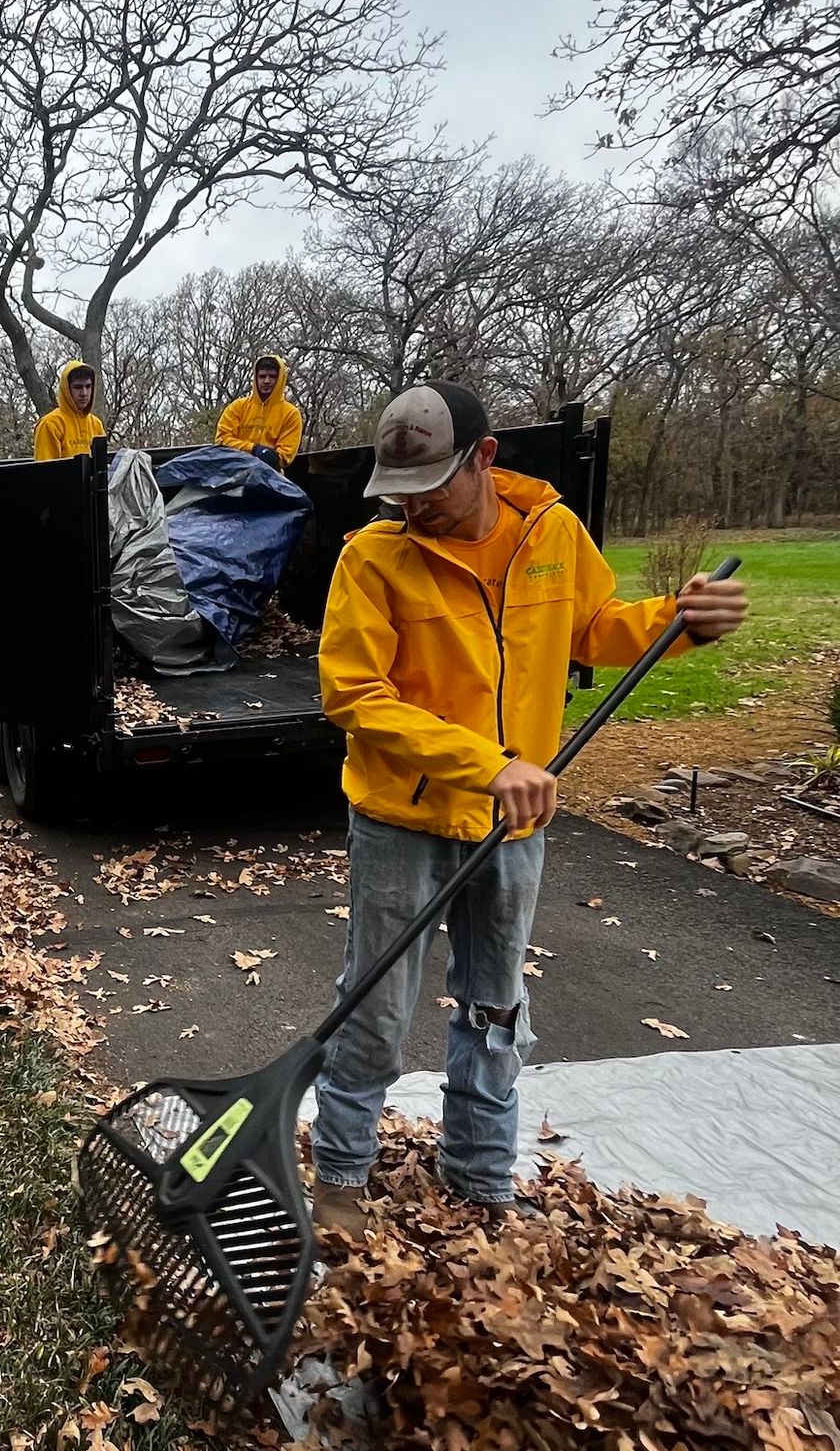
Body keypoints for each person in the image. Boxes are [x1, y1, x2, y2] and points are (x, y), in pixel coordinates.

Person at [312, 381, 747, 1230]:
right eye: (398, 492)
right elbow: (355, 695)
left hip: (514, 823)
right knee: (376, 1002)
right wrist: (488, 762)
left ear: (484, 458)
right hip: (404, 819)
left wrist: (679, 619)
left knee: (495, 1002)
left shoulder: (551, 533)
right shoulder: (373, 558)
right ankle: (341, 1175)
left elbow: (595, 628)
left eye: (432, 485)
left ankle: (479, 1179)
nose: (414, 507)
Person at [215, 353, 302, 468]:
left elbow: (284, 456)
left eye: (272, 376)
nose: (266, 381)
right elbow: (222, 440)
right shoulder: (237, 407)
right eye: (262, 376)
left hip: (269, 475)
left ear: (280, 379)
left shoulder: (291, 414)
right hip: (232, 470)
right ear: (255, 378)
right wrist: (253, 449)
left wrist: (270, 457)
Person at [34, 360, 105, 462]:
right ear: (66, 389)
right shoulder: (50, 424)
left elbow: (101, 467)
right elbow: (45, 472)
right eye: (78, 387)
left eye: (88, 386)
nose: (84, 393)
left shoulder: (96, 425)